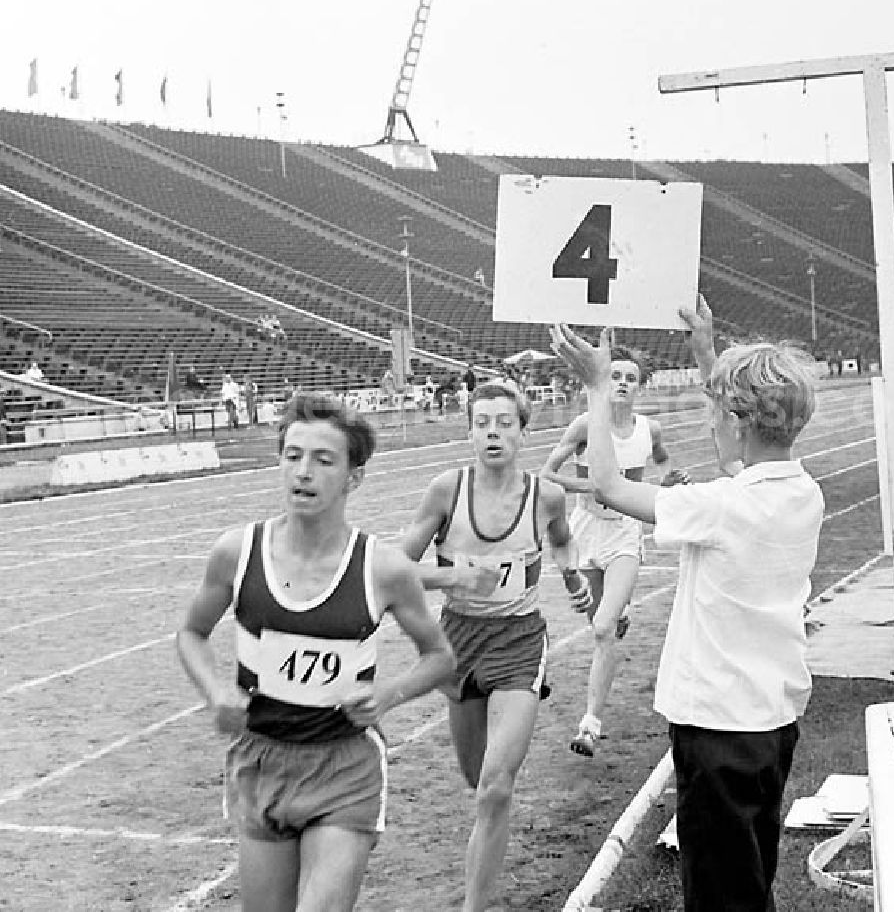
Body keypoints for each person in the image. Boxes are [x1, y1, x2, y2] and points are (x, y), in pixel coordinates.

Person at [550, 295, 824, 912]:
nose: (712, 419)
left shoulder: (720, 506)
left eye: (718, 409)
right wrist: (706, 350)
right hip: (770, 720)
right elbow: (739, 456)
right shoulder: (803, 492)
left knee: (721, 894)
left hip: (717, 727)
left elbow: (606, 485)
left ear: (739, 419)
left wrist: (597, 388)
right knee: (748, 874)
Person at [176, 393, 455, 912]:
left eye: (323, 460)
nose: (303, 472)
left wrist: (388, 694)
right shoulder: (237, 553)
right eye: (293, 456)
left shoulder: (383, 568)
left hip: (344, 766)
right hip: (261, 761)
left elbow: (440, 656)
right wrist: (215, 692)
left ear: (354, 476)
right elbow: (191, 633)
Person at [400, 380, 591, 912]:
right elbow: (395, 570)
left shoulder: (545, 495)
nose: (492, 433)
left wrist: (573, 580)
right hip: (458, 641)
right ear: (468, 433)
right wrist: (456, 576)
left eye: (504, 423)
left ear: (523, 433)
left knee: (496, 788)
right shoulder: (445, 491)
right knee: (474, 775)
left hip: (519, 640)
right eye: (481, 423)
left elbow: (560, 539)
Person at [540, 344, 676, 757]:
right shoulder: (585, 425)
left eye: (630, 378)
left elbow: (663, 464)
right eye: (615, 376)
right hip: (585, 534)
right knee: (599, 620)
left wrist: (669, 483)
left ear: (639, 388)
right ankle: (621, 609)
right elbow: (548, 473)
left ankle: (590, 725)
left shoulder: (648, 430)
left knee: (602, 629)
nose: (621, 384)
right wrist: (593, 487)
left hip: (624, 537)